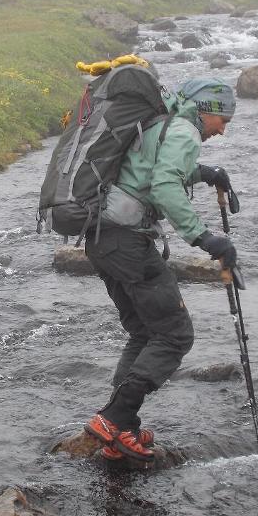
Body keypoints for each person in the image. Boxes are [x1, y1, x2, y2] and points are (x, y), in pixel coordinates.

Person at [83, 77, 239, 463]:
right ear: (208, 111)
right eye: (224, 120)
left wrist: (206, 173)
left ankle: (122, 427)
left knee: (144, 331)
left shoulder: (161, 123)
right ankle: (113, 418)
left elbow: (150, 168)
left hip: (102, 237)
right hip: (128, 243)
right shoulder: (184, 129)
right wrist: (205, 238)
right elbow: (164, 185)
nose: (223, 130)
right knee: (173, 334)